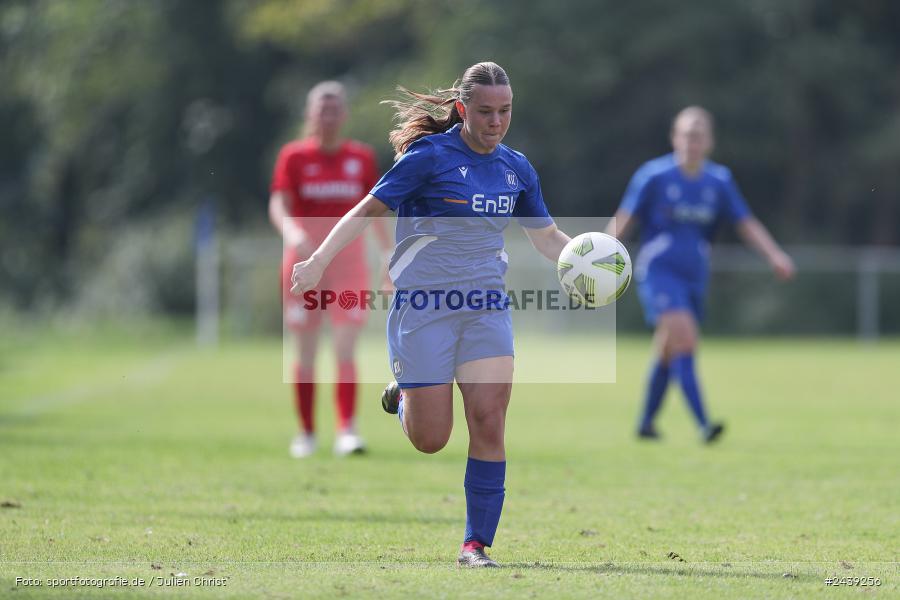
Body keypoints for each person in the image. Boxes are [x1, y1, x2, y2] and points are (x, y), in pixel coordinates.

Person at [290, 62, 570, 567]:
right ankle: (404, 398)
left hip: (485, 307)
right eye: (485, 112)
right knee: (431, 439)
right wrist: (318, 261)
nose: (496, 121)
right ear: (462, 109)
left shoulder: (516, 168)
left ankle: (474, 545)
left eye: (505, 111)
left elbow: (547, 238)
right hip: (423, 308)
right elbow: (367, 210)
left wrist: (588, 261)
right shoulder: (428, 157)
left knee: (489, 418)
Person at [608, 106, 795, 443]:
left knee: (668, 348)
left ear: (709, 142)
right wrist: (601, 257)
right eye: (685, 135)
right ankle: (704, 424)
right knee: (686, 339)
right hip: (659, 272)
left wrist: (774, 255)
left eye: (698, 136)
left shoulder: (719, 181)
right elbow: (624, 219)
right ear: (674, 137)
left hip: (694, 275)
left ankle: (646, 424)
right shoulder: (654, 176)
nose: (691, 142)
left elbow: (746, 223)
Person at [269, 81, 392, 458]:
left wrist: (388, 255)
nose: (329, 115)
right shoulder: (293, 157)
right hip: (304, 268)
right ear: (309, 114)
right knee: (305, 352)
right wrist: (292, 233)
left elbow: (375, 209)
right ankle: (306, 433)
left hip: (350, 267)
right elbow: (279, 203)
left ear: (345, 114)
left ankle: (347, 431)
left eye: (335, 108)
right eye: (322, 108)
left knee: (344, 348)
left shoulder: (361, 158)